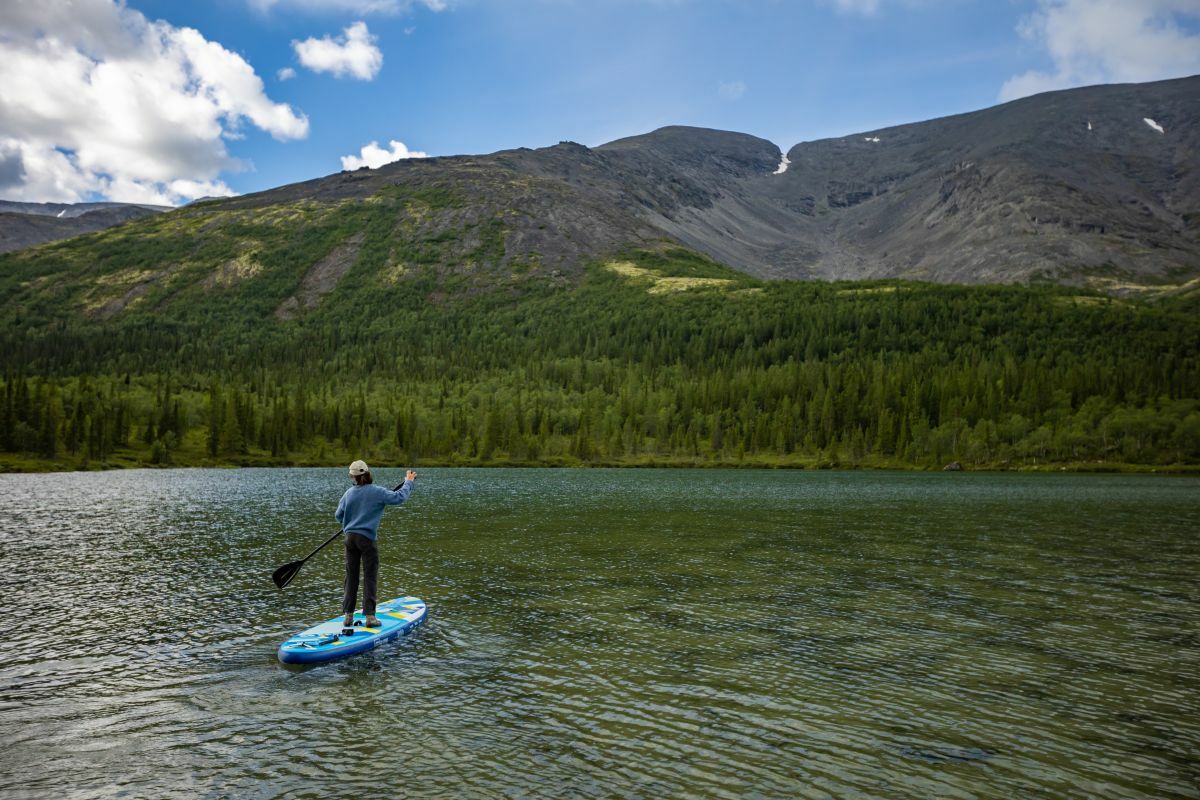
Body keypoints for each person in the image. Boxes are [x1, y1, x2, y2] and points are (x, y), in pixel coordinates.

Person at [335, 460, 417, 628]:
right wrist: (408, 482)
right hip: (367, 540)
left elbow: (338, 515)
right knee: (370, 577)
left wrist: (350, 521)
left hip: (350, 538)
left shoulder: (348, 493)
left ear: (353, 477)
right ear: (368, 473)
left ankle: (348, 616)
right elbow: (398, 497)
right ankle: (370, 617)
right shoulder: (377, 492)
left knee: (351, 577)